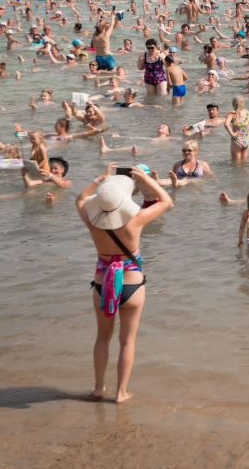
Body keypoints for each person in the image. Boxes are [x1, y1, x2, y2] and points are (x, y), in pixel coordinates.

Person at [76, 167, 172, 403]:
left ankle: (99, 388)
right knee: (127, 341)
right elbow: (166, 201)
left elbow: (79, 199)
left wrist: (98, 178)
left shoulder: (93, 224)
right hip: (132, 285)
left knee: (102, 338)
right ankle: (121, 393)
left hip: (102, 283)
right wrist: (146, 178)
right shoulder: (135, 222)